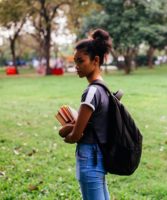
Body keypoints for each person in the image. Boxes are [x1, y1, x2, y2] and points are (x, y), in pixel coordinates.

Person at [58, 28, 112, 199]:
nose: (76, 66)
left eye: (81, 61)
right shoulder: (104, 88)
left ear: (95, 60)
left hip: (89, 158)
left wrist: (66, 132)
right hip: (100, 156)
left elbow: (75, 135)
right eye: (75, 61)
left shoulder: (91, 92)